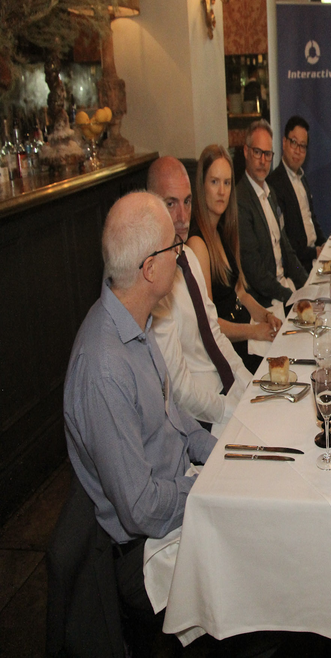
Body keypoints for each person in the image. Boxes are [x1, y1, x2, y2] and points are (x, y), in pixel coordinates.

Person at [63, 191, 218, 655]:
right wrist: (212, 487)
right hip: (141, 552)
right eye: (173, 249)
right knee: (261, 597)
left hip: (175, 494)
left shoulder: (137, 321)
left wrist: (227, 453)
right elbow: (142, 509)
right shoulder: (103, 366)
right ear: (150, 269)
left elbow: (180, 422)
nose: (180, 255)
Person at [147, 156, 253, 432]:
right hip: (201, 418)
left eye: (187, 201)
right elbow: (180, 390)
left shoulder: (189, 257)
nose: (183, 217)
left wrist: (248, 384)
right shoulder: (153, 283)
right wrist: (233, 410)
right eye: (171, 203)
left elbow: (214, 332)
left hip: (226, 391)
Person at [187, 144, 282, 374]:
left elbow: (241, 294)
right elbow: (210, 324)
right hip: (229, 351)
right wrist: (255, 331)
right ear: (201, 186)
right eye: (214, 182)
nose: (222, 191)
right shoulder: (197, 244)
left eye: (227, 183)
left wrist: (267, 316)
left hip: (246, 337)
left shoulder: (223, 231)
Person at [237, 120, 309, 306]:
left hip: (284, 288)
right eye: (257, 152)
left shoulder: (270, 194)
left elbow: (286, 247)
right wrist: (290, 297)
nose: (263, 161)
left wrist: (306, 283)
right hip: (266, 301)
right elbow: (255, 271)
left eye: (267, 154)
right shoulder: (240, 200)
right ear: (246, 152)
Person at [266, 115, 327, 272]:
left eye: (303, 146)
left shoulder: (302, 178)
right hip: (299, 265)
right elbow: (285, 241)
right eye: (294, 143)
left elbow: (311, 218)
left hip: (315, 257)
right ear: (284, 143)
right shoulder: (274, 184)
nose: (298, 151)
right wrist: (316, 252)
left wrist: (324, 245)